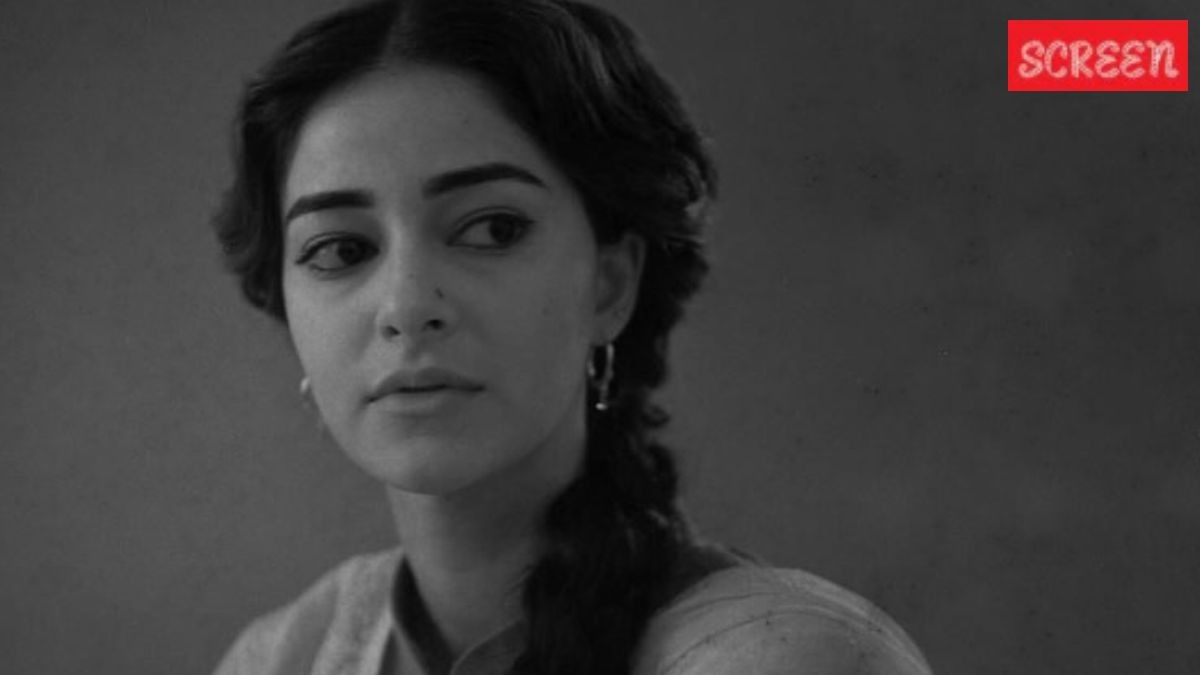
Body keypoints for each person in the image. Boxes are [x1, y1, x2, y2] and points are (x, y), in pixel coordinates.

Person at [209, 0, 934, 673]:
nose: (405, 304)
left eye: (493, 229)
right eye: (340, 249)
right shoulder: (284, 656)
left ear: (610, 285)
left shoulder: (781, 656)